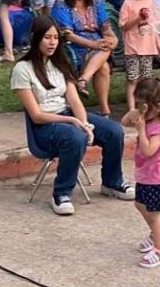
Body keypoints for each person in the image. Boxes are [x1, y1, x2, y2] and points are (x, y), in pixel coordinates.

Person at [11, 16, 134, 216]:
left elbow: (74, 100)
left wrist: (84, 123)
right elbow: (36, 115)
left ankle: (112, 182)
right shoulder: (22, 70)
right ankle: (61, 193)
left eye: (55, 38)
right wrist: (73, 122)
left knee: (114, 130)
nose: (52, 43)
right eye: (46, 38)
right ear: (36, 39)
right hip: (45, 125)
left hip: (69, 116)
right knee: (74, 136)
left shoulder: (60, 63)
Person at [121, 78, 160, 269]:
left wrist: (141, 129)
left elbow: (148, 151)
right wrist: (136, 112)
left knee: (154, 215)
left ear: (159, 106)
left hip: (159, 179)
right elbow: (125, 121)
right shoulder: (146, 118)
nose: (143, 111)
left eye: (146, 106)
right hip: (146, 177)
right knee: (139, 204)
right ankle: (155, 234)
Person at [50, 0, 118, 115]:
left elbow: (105, 27)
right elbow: (67, 34)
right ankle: (104, 110)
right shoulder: (62, 4)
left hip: (98, 47)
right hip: (73, 49)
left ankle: (83, 81)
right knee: (104, 64)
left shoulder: (95, 1)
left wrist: (112, 38)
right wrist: (93, 44)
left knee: (105, 51)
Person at [118, 0, 160, 113]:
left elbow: (154, 26)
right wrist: (138, 18)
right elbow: (124, 26)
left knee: (147, 80)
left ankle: (146, 106)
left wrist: (158, 45)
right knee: (133, 79)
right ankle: (132, 109)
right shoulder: (128, 3)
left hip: (148, 49)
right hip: (132, 48)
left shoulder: (150, 3)